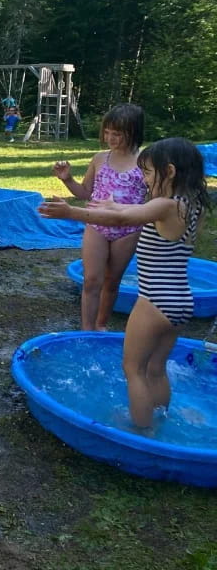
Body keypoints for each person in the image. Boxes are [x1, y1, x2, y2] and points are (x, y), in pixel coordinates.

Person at [39, 138, 209, 428]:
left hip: (154, 301)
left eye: (149, 174)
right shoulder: (190, 205)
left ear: (169, 172)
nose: (144, 180)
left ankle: (142, 432)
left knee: (133, 369)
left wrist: (73, 213)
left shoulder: (165, 205)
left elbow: (124, 219)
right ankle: (159, 420)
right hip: (181, 301)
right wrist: (114, 205)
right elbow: (130, 212)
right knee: (156, 368)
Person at [51, 104, 145, 331]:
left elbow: (154, 199)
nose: (110, 138)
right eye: (108, 132)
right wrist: (67, 179)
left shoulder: (146, 161)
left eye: (117, 134)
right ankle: (86, 329)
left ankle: (101, 326)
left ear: (133, 132)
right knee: (92, 279)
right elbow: (85, 192)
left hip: (128, 229)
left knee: (112, 281)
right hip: (96, 224)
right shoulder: (101, 158)